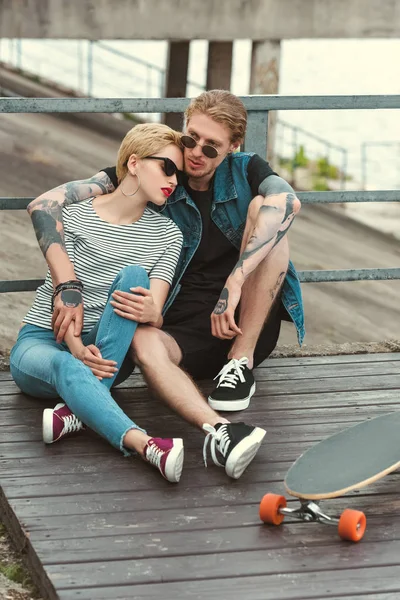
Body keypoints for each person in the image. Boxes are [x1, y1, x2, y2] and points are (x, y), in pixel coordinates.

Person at [11, 121, 267, 484]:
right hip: (43, 343)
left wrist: (152, 313)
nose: (173, 181)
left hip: (107, 351)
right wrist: (74, 347)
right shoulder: (74, 215)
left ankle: (79, 409)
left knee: (133, 275)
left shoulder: (167, 233)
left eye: (178, 174)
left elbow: (154, 313)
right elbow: (62, 295)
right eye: (166, 167)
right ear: (134, 163)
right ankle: (148, 445)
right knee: (69, 368)